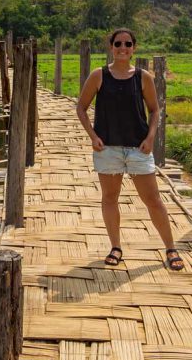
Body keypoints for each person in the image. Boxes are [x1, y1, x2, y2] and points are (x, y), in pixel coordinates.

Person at [76, 28, 184, 271]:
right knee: (110, 198)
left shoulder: (143, 77)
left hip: (138, 149)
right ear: (111, 47)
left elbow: (155, 110)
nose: (122, 48)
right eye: (118, 44)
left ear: (134, 47)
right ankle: (115, 247)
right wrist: (92, 136)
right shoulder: (99, 75)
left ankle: (170, 248)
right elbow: (81, 107)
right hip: (108, 149)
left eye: (127, 44)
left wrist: (150, 138)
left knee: (153, 200)